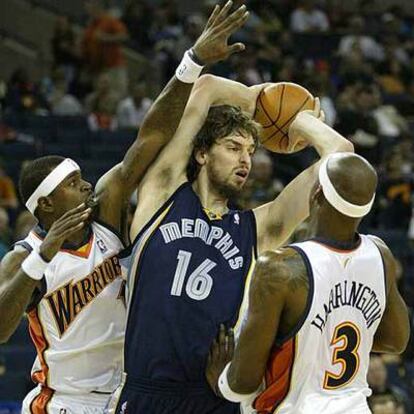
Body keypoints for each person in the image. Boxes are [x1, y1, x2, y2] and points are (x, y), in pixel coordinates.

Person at [0, 3, 248, 412]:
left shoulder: (106, 212)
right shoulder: (23, 259)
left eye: (83, 179)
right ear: (45, 204)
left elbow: (147, 141)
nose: (86, 187)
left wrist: (194, 60)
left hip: (125, 395)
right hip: (65, 403)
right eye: (73, 185)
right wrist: (43, 255)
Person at [111, 38, 353, 414]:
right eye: (233, 147)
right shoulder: (162, 195)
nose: (246, 160)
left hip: (213, 397)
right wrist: (260, 99)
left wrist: (301, 120)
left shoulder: (257, 228)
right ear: (202, 153)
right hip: (145, 394)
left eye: (251, 152)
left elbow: (342, 159)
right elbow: (205, 87)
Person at [207, 153, 410, 414]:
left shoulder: (280, 268)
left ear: (316, 194)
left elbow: (242, 384)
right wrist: (324, 339)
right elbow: (396, 341)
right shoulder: (380, 253)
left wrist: (221, 381)